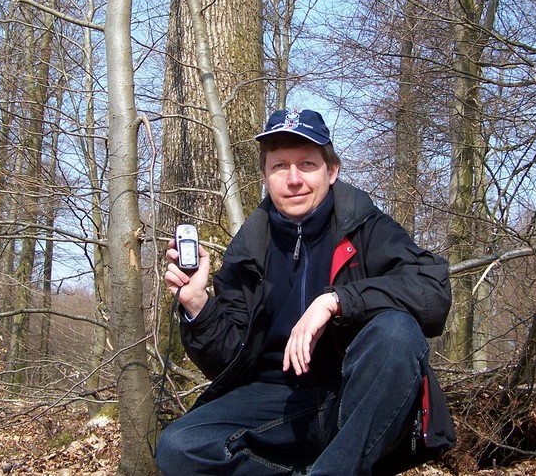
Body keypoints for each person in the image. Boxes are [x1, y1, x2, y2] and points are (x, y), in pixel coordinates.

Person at [157, 108, 455, 475]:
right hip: (278, 400)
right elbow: (229, 361)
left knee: (396, 332)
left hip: (357, 394)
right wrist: (199, 307)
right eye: (280, 166)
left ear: (332, 171)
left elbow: (432, 291)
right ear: (266, 177)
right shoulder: (248, 248)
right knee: (179, 447)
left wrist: (336, 301)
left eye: (307, 165)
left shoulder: (366, 227)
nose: (294, 179)